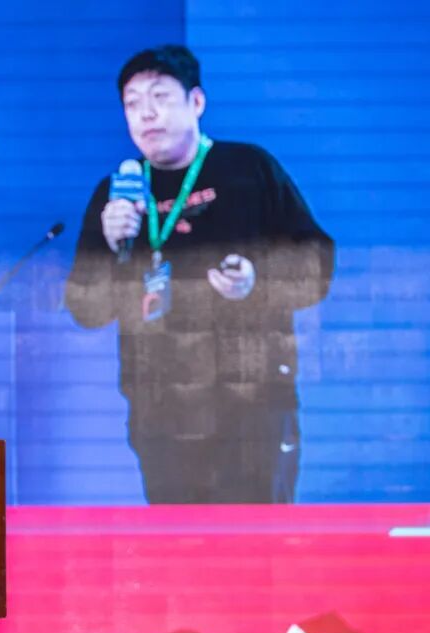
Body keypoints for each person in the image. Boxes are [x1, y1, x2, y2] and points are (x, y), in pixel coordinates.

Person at [64, 45, 334, 504]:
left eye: (160, 97)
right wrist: (108, 247)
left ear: (197, 102)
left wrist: (256, 282)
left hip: (252, 404)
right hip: (160, 410)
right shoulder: (116, 195)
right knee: (178, 542)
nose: (147, 114)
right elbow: (86, 310)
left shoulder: (249, 170)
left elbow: (317, 264)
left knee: (254, 537)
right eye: (132, 103)